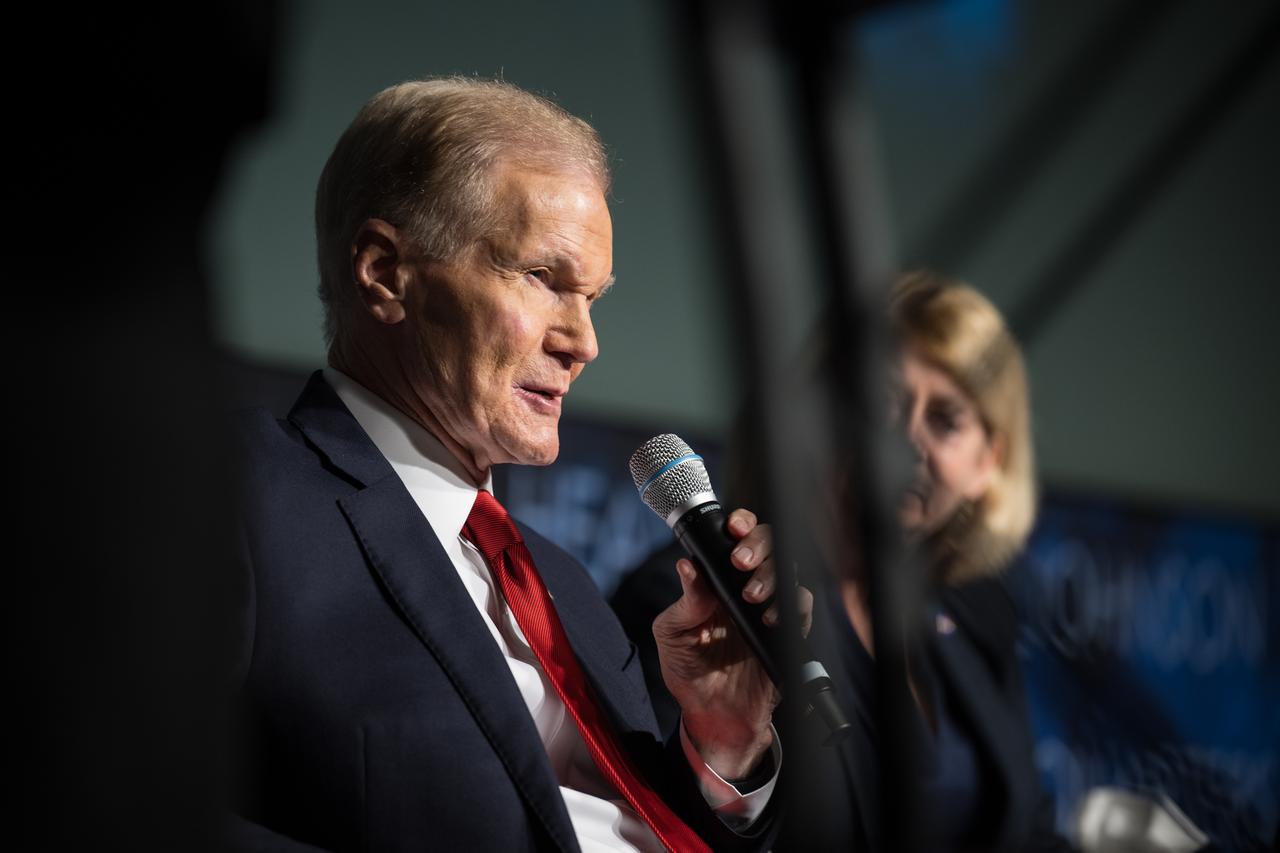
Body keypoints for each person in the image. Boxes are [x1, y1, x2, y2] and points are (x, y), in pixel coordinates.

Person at [227, 77, 802, 853]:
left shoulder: (564, 588)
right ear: (385, 272)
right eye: (542, 278)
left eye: (592, 298)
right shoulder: (243, 494)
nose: (584, 342)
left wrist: (724, 738)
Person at [790, 270, 1070, 851]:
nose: (905, 444)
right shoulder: (702, 591)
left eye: (945, 421)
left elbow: (1027, 831)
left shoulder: (976, 614)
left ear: (987, 464)